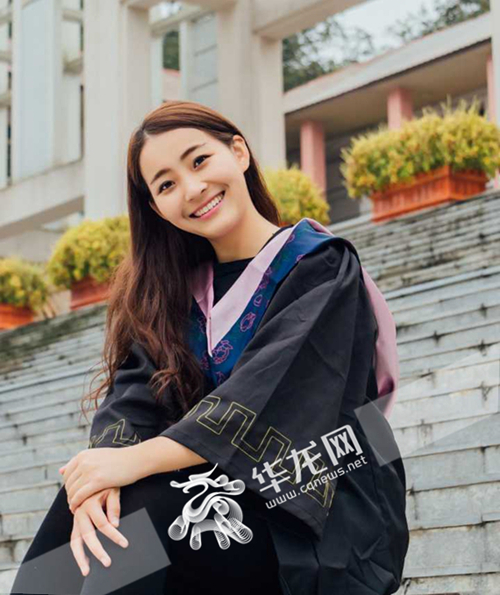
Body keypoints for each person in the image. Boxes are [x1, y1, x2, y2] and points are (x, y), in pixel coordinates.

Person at [11, 100, 409, 595]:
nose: (192, 188)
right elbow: (134, 396)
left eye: (199, 160)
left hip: (317, 506)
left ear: (238, 151)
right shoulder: (175, 294)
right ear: (157, 209)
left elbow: (264, 402)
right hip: (212, 493)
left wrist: (133, 464)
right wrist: (102, 471)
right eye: (166, 185)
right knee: (82, 520)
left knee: (141, 515)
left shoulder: (319, 266)